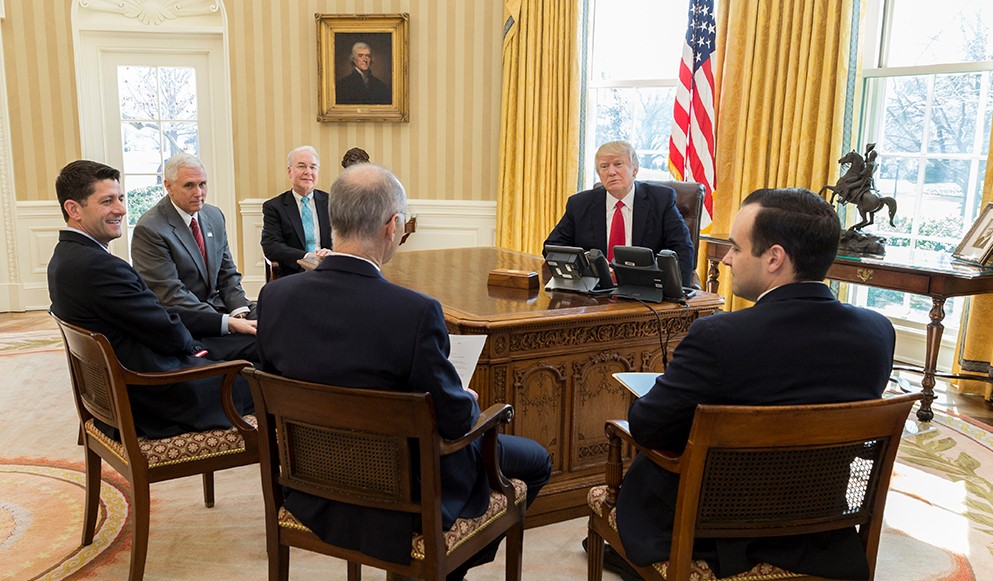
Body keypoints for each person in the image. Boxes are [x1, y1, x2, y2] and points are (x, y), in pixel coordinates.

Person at [256, 163, 552, 581]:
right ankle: (442, 569)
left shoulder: (274, 298)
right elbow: (453, 423)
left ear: (333, 219)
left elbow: (272, 389)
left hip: (311, 489)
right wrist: (468, 402)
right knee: (536, 460)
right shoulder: (414, 313)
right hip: (403, 501)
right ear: (393, 226)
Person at [609, 188, 896, 580]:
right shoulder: (878, 332)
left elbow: (647, 425)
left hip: (707, 528)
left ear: (774, 258)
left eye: (735, 248)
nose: (725, 258)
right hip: (821, 527)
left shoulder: (717, 337)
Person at [48, 160, 256, 439]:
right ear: (74, 209)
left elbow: (155, 315)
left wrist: (229, 324)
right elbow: (167, 331)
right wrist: (199, 350)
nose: (121, 209)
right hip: (158, 393)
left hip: (130, 379)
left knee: (247, 337)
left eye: (120, 198)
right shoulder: (99, 267)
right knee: (264, 373)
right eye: (107, 201)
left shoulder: (65, 257)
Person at [543, 140, 696, 286]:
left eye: (618, 164)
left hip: (646, 288)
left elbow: (683, 248)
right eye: (604, 166)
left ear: (634, 169)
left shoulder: (661, 200)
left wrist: (678, 293)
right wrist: (586, 265)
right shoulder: (580, 204)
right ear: (599, 174)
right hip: (594, 290)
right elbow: (552, 247)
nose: (611, 172)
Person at [132, 153, 255, 319]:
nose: (199, 193)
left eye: (202, 184)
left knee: (277, 322)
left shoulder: (214, 215)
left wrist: (240, 311)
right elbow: (171, 294)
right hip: (183, 318)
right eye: (189, 185)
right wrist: (227, 322)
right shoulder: (150, 228)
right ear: (168, 186)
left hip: (219, 306)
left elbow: (227, 273)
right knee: (254, 341)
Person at [260, 146, 332, 276]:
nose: (308, 172)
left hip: (329, 270)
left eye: (313, 167)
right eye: (301, 166)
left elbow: (346, 239)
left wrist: (331, 253)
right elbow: (271, 246)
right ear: (289, 171)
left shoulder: (332, 203)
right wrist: (307, 257)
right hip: (293, 273)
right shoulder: (274, 207)